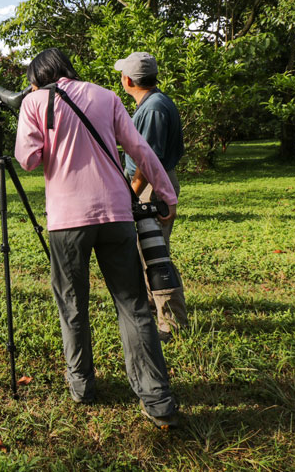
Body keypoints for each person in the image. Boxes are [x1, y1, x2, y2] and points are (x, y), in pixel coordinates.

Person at [15, 48, 180, 428]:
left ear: (38, 79)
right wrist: (165, 195)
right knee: (134, 305)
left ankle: (81, 386)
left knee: (72, 303)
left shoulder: (35, 102)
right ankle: (157, 400)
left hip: (67, 221)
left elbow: (29, 159)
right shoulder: (106, 96)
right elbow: (139, 149)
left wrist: (34, 122)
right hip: (117, 214)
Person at [115, 52, 187, 342]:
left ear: (128, 80)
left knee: (156, 256)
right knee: (144, 253)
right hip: (148, 183)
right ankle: (150, 310)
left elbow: (149, 161)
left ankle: (171, 323)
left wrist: (130, 193)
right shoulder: (153, 103)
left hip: (151, 186)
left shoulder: (154, 108)